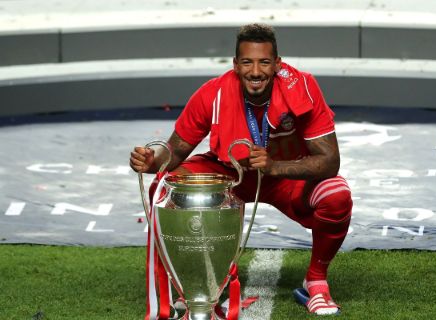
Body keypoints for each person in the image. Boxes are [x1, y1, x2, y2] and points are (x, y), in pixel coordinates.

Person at [130, 23, 352, 317]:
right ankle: (192, 284)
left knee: (336, 194)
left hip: (286, 178)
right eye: (247, 62)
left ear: (277, 64)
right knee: (165, 186)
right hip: (230, 177)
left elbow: (329, 161)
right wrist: (152, 161)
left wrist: (274, 166)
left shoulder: (303, 88)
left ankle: (316, 280)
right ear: (236, 65)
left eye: (264, 62)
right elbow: (175, 150)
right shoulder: (212, 93)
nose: (256, 71)